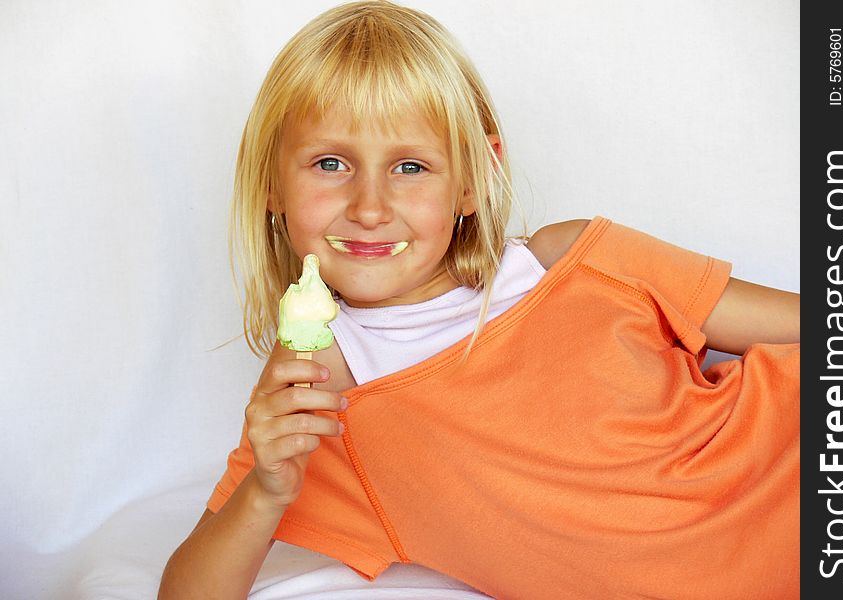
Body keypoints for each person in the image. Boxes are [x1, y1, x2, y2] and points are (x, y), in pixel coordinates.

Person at [158, 1, 800, 598]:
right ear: (270, 177)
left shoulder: (569, 258)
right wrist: (265, 494)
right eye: (330, 162)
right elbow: (188, 591)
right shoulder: (323, 396)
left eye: (410, 167)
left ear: (474, 177)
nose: (370, 207)